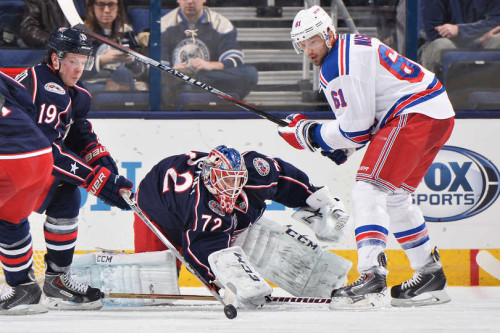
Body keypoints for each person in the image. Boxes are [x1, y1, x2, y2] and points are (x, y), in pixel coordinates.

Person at [278, 6, 455, 309]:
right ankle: (430, 275)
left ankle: (372, 275)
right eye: (302, 43)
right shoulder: (347, 49)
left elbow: (356, 129)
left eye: (313, 41)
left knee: (368, 188)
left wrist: (308, 133)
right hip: (434, 112)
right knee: (396, 196)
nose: (308, 49)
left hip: (414, 114)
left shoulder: (337, 64)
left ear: (329, 34)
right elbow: (361, 125)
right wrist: (339, 145)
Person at [133, 145, 352, 307]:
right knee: (155, 295)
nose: (233, 187)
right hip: (156, 209)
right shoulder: (203, 206)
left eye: (237, 179)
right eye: (226, 181)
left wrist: (316, 202)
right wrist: (223, 281)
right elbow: (200, 251)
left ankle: (326, 283)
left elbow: (284, 180)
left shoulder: (257, 171)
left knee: (254, 238)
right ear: (210, 178)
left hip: (193, 211)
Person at [15, 26, 134, 310]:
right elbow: (47, 151)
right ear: (54, 59)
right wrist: (96, 179)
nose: (79, 68)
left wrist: (102, 162)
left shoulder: (71, 92)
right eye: (72, 61)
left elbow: (78, 133)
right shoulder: (44, 87)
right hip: (11, 166)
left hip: (19, 164)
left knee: (66, 195)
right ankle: (24, 286)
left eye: (83, 61)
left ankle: (56, 280)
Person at [0, 72, 54, 315]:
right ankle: (24, 289)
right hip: (41, 154)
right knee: (9, 220)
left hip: (10, 158)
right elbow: (26, 101)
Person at [160, 0, 258, 109]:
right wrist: (173, 71)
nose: (189, 1)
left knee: (250, 73)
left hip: (210, 83)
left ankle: (192, 80)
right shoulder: (164, 25)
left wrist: (211, 65)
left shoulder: (220, 23)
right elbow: (159, 66)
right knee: (163, 85)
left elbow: (235, 58)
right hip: (178, 85)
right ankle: (188, 82)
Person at [419, 0, 500, 77]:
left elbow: (496, 22)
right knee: (441, 45)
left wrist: (459, 30)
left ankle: (490, 89)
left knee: (498, 41)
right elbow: (434, 34)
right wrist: (480, 39)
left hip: (482, 42)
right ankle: (437, 89)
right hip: (450, 44)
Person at [82, 0, 148, 94]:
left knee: (123, 72)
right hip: (95, 88)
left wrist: (131, 60)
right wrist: (100, 61)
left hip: (125, 83)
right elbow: (73, 70)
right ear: (92, 7)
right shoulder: (81, 33)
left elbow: (143, 69)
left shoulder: (126, 31)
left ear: (118, 7)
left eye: (111, 4)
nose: (106, 10)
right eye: (101, 4)